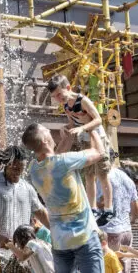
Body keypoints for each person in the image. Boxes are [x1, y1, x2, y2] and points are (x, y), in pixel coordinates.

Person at [22, 122, 108, 273]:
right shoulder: (64, 162)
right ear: (45, 141)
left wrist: (66, 139)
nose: (50, 134)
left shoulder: (34, 169)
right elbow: (99, 153)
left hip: (59, 240)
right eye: (47, 132)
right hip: (84, 236)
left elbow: (54, 158)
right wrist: (92, 129)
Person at [46, 75, 114, 225]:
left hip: (98, 137)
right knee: (89, 175)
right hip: (84, 139)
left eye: (59, 94)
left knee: (102, 174)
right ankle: (93, 208)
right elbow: (72, 123)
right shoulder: (65, 106)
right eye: (54, 96)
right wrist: (65, 128)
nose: (58, 98)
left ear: (68, 88)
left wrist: (82, 127)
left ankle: (109, 209)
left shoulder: (82, 100)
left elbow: (98, 119)